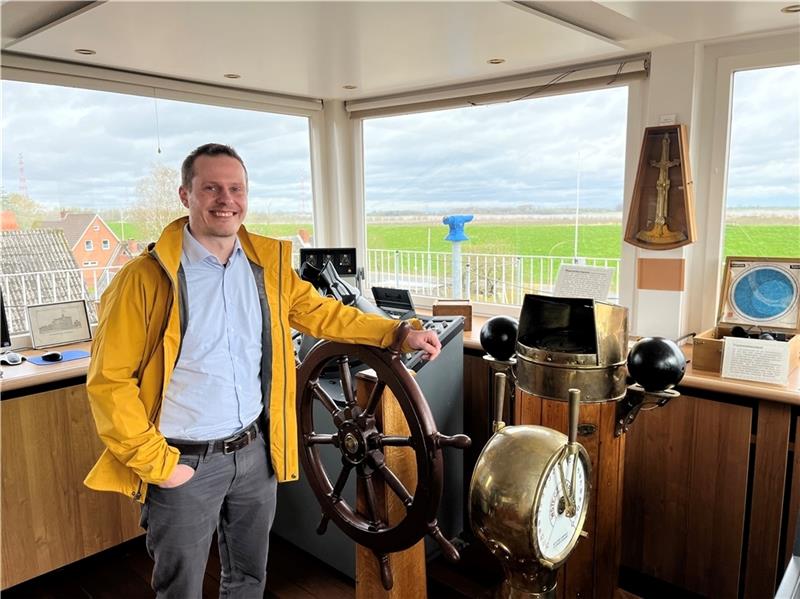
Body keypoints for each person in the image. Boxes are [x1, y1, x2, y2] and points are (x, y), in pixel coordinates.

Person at [84, 143, 441, 598]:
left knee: (249, 578)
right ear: (184, 194)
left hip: (255, 454)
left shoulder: (266, 268)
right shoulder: (144, 279)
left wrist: (396, 332)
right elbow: (109, 382)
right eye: (210, 187)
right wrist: (160, 466)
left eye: (235, 188)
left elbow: (326, 314)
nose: (225, 199)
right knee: (181, 589)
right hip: (183, 458)